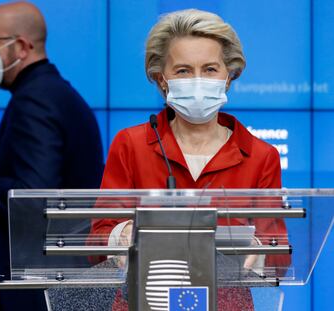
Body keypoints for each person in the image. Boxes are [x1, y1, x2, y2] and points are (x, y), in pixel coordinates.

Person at [90, 9, 290, 311]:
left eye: (210, 69)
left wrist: (255, 250)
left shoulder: (261, 156)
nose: (198, 81)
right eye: (183, 70)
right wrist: (122, 236)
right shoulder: (130, 144)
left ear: (229, 75)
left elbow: (280, 258)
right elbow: (95, 244)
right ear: (162, 80)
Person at [0, 2, 103, 310]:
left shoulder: (36, 101)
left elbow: (34, 198)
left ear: (23, 46)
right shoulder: (56, 93)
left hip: (39, 288)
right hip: (57, 281)